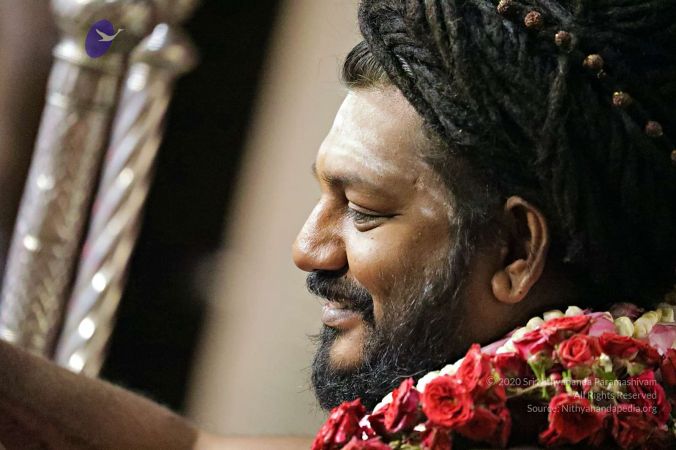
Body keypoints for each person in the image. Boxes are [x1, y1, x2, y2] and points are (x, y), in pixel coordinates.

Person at [1, 0, 675, 448]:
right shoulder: (610, 394)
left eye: (364, 211)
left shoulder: (552, 421)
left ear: (516, 251)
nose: (308, 248)